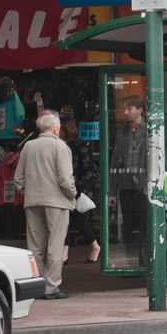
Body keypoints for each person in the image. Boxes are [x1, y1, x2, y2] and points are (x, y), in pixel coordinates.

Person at [19, 111, 75, 300]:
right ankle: (51, 287)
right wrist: (72, 194)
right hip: (57, 201)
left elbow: (18, 179)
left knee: (35, 246)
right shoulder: (60, 146)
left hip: (32, 201)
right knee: (55, 245)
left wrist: (28, 192)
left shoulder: (28, 146)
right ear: (56, 127)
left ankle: (37, 283)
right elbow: (66, 179)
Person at [60, 112, 101, 264]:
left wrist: (78, 189)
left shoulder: (77, 145)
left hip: (77, 187)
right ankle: (93, 247)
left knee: (73, 219)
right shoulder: (69, 144)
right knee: (72, 219)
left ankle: (91, 247)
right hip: (71, 186)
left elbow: (86, 168)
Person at [112, 95, 145, 249]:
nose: (125, 112)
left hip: (144, 184)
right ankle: (131, 262)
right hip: (126, 184)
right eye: (124, 108)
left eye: (129, 108)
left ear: (140, 110)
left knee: (145, 222)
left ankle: (146, 259)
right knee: (128, 224)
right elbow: (115, 160)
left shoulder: (149, 130)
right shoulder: (122, 131)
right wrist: (112, 191)